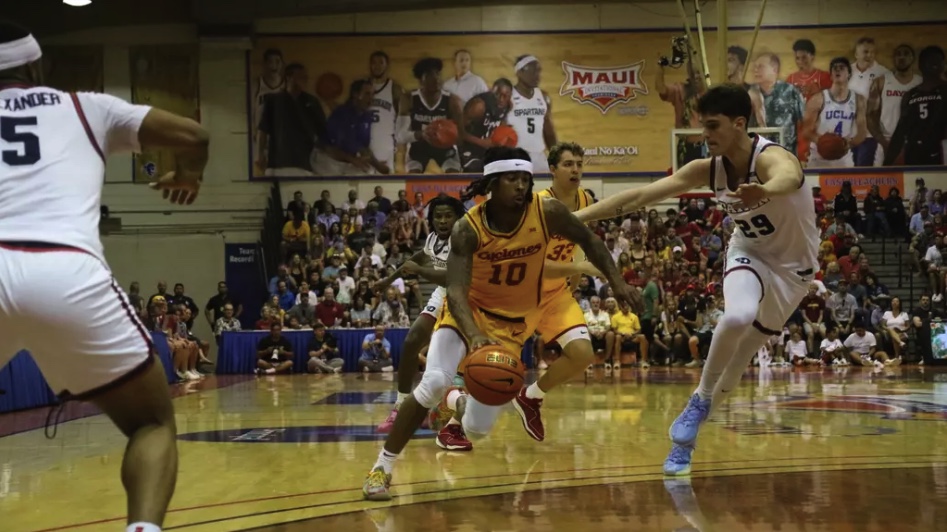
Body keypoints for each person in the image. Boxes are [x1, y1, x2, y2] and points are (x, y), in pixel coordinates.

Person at [0, 21, 208, 532]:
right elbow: (196, 134)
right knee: (150, 422)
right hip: (66, 271)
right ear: (35, 67)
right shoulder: (84, 105)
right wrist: (188, 175)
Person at [362, 146, 634, 500]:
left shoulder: (548, 211)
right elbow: (456, 291)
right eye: (512, 179)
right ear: (492, 183)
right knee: (433, 382)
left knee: (476, 428)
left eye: (525, 179)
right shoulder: (467, 228)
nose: (521, 186)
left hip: (513, 324)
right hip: (468, 313)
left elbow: (590, 240)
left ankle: (457, 402)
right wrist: (474, 335)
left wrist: (616, 280)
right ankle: (382, 468)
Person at [575, 83, 819, 477]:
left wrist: (765, 188)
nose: (704, 135)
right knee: (737, 316)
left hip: (793, 273)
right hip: (750, 252)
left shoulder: (772, 158)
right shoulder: (707, 168)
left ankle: (687, 440)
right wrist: (574, 221)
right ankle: (698, 402)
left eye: (712, 126)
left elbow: (789, 177)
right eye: (702, 127)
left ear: (739, 124)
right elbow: (638, 197)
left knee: (738, 364)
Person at [375, 194, 466, 433]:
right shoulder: (434, 238)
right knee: (412, 341)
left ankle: (445, 410)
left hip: (465, 298)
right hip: (442, 294)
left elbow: (452, 277)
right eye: (438, 216)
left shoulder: (463, 240)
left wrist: (420, 270)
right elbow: (418, 258)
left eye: (448, 216)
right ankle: (400, 406)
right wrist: (388, 279)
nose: (443, 221)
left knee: (452, 366)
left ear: (458, 218)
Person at [397, 57, 463, 174]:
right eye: (430, 75)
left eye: (437, 74)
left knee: (454, 175)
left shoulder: (452, 100)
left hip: (445, 149)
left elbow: (461, 135)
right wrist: (421, 134)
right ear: (421, 80)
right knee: (414, 177)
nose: (436, 79)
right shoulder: (409, 98)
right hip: (418, 147)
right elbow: (400, 136)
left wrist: (449, 135)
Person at [885, 46, 947, 166]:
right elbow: (900, 131)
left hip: (940, 150)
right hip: (914, 152)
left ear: (943, 65)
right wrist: (887, 164)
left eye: (938, 60)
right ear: (921, 65)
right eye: (930, 60)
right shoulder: (910, 95)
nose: (934, 64)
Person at [803, 57, 867, 168]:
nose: (837, 70)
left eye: (841, 68)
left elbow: (862, 133)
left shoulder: (858, 99)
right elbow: (806, 131)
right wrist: (827, 144)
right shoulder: (818, 99)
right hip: (819, 156)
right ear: (831, 75)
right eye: (834, 68)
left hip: (843, 157)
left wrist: (847, 144)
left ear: (849, 74)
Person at [868, 44, 921, 163]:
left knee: (912, 180)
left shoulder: (920, 82)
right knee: (883, 180)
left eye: (906, 54)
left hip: (913, 142)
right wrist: (883, 142)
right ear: (893, 59)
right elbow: (870, 115)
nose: (902, 57)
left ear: (913, 58)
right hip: (887, 140)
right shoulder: (881, 82)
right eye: (898, 54)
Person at [507, 55, 557, 172]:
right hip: (515, 155)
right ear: (519, 73)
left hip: (539, 156)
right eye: (533, 71)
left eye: (538, 71)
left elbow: (548, 131)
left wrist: (557, 155)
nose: (537, 76)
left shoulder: (543, 96)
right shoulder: (508, 96)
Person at [459, 78, 514, 172]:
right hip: (470, 150)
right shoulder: (478, 106)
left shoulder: (508, 106)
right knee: (477, 171)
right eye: (497, 94)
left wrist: (505, 136)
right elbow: (459, 132)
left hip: (488, 151)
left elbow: (501, 126)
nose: (501, 99)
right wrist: (483, 142)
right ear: (491, 92)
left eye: (505, 96)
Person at [368, 50, 402, 172]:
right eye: (374, 63)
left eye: (380, 62)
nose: (377, 66)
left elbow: (401, 117)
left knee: (386, 183)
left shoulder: (394, 88)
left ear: (387, 65)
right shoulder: (363, 86)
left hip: (385, 143)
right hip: (366, 143)